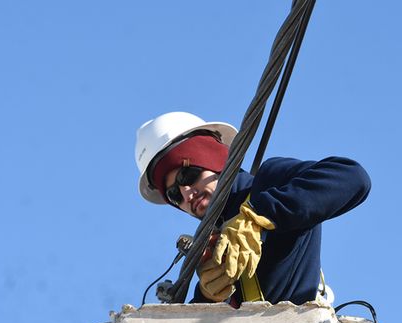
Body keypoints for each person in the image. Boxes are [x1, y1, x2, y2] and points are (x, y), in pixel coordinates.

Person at [135, 112, 371, 305]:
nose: (187, 193)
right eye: (174, 195)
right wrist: (207, 298)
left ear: (215, 160)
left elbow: (352, 177)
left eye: (188, 174)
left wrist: (257, 215)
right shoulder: (212, 257)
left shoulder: (270, 182)